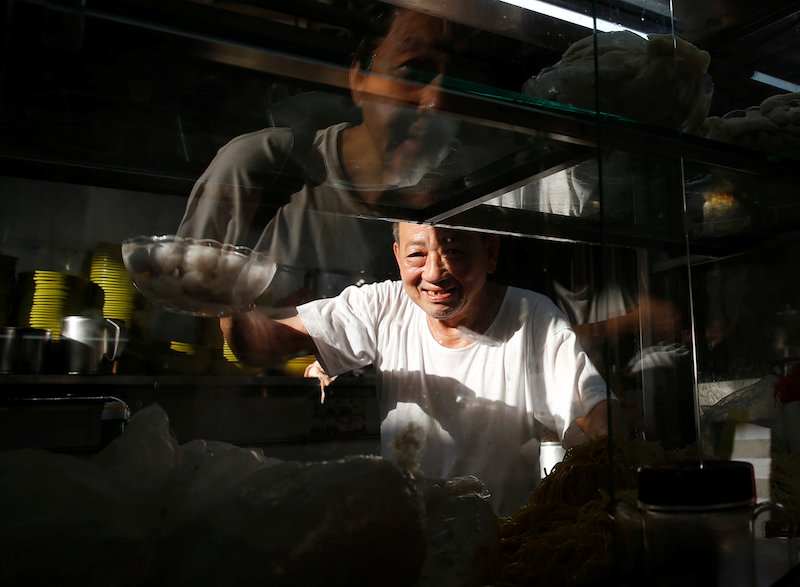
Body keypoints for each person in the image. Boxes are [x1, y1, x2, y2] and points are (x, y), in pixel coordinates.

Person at [221, 222, 621, 516]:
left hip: (503, 544)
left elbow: (591, 416)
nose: (433, 273)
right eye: (417, 255)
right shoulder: (382, 306)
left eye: (455, 252)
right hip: (406, 540)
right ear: (397, 256)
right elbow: (258, 348)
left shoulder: (532, 316)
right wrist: (227, 294)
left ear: (491, 252)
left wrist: (618, 436)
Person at [176, 4, 510, 306]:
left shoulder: (472, 191)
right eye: (412, 71)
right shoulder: (258, 165)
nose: (436, 102)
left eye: (459, 81)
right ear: (360, 79)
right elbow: (183, 299)